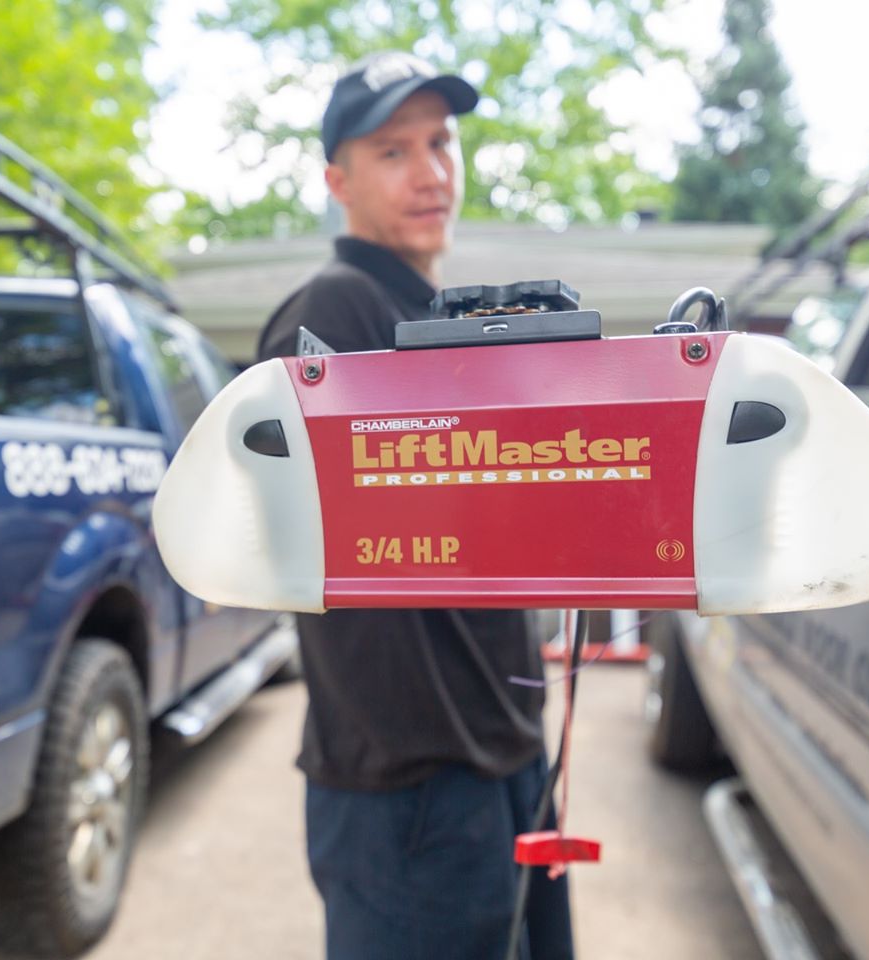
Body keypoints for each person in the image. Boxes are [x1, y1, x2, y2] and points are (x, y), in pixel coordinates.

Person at [257, 51, 574, 960]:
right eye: (393, 151)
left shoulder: (443, 321)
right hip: (416, 790)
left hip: (507, 753)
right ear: (338, 182)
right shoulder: (335, 314)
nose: (431, 172)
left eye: (441, 142)